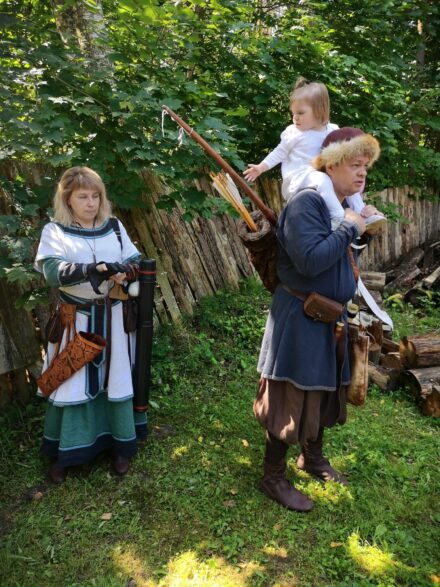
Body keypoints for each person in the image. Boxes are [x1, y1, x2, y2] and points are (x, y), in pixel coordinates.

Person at [254, 127, 380, 512]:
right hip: (300, 313)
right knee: (290, 394)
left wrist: (362, 232)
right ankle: (272, 475)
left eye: (366, 166)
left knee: (325, 389)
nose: (362, 172)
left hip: (330, 316)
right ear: (332, 164)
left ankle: (312, 457)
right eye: (355, 164)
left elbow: (339, 254)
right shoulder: (307, 202)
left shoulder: (341, 204)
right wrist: (349, 227)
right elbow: (309, 261)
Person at [34, 166, 146, 483]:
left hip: (113, 317)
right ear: (67, 199)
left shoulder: (115, 227)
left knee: (116, 378)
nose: (91, 203)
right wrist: (92, 269)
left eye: (96, 196)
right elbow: (52, 272)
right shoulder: (55, 231)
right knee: (71, 381)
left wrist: (124, 271)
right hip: (76, 320)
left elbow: (135, 260)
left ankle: (120, 446)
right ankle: (67, 451)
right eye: (83, 196)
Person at [244, 78, 385, 232]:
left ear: (319, 111)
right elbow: (279, 152)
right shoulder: (293, 133)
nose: (295, 117)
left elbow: (345, 157)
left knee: (346, 183)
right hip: (299, 178)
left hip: (322, 176)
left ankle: (362, 214)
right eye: (293, 113)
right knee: (322, 179)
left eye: (300, 113)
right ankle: (337, 216)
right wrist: (261, 167)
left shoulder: (332, 130)